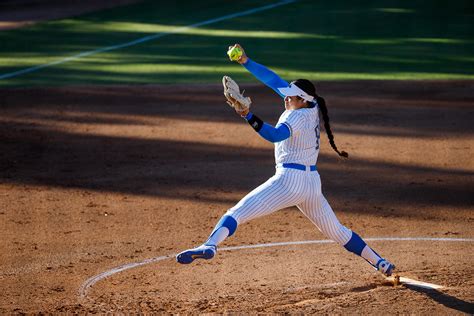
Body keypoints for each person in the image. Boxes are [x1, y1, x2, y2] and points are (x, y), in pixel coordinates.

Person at [176, 44, 395, 277]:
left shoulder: (295, 115)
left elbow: (275, 135)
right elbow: (273, 80)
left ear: (300, 99)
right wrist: (245, 61)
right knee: (338, 232)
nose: (285, 97)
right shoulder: (309, 106)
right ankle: (380, 262)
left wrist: (248, 116)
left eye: (290, 95)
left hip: (289, 181)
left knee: (237, 212)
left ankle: (209, 245)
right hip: (311, 184)